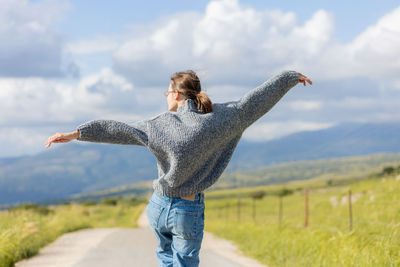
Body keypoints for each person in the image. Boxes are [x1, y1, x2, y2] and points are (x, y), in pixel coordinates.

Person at [45, 69, 312, 267]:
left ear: (176, 94)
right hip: (187, 209)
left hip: (158, 207)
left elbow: (118, 129)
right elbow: (255, 102)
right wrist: (288, 78)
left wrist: (77, 133)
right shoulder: (222, 119)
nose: (166, 98)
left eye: (166, 93)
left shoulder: (159, 124)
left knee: (165, 259)